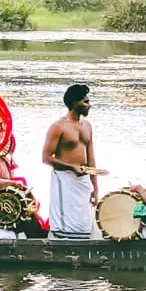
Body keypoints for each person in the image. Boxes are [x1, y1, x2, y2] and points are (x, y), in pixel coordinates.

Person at [42, 84, 99, 240]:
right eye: (86, 102)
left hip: (83, 180)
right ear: (74, 103)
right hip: (65, 179)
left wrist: (95, 187)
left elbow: (91, 158)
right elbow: (46, 158)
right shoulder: (58, 127)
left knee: (84, 223)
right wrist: (71, 167)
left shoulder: (87, 126)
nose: (89, 106)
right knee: (64, 226)